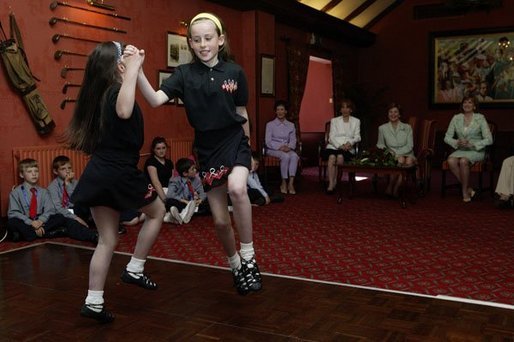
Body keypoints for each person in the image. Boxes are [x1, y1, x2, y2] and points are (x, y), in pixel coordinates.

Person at [134, 12, 262, 295]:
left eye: (209, 38)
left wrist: (249, 149)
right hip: (207, 149)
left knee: (239, 189)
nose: (203, 44)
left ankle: (250, 256)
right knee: (219, 221)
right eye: (197, 39)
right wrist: (139, 71)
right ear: (190, 44)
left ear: (220, 40)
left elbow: (242, 112)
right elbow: (155, 100)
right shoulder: (183, 75)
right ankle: (236, 265)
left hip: (235, 139)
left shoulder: (235, 72)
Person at [65, 41, 165, 323]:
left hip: (99, 171)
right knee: (157, 212)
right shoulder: (114, 93)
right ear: (117, 66)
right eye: (124, 55)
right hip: (118, 171)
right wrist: (131, 71)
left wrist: (135, 69)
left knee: (107, 239)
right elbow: (124, 110)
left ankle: (93, 302)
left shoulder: (101, 94)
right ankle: (135, 267)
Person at [7, 158, 98, 244]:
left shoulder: (44, 192)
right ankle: (49, 232)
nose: (34, 174)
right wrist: (31, 222)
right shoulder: (15, 193)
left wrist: (40, 221)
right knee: (12, 222)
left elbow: (49, 210)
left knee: (61, 217)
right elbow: (13, 213)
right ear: (21, 175)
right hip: (26, 220)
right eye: (30, 172)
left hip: (41, 220)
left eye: (36, 171)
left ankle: (93, 236)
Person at [444, 96, 493, 202]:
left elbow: (489, 139)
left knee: (463, 161)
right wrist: (457, 142)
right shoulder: (456, 118)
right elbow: (447, 137)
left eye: (470, 102)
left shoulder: (480, 118)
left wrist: (473, 145)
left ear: (474, 106)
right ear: (462, 105)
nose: (467, 104)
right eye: (465, 102)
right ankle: (469, 188)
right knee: (451, 160)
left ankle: (464, 191)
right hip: (461, 149)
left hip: (476, 150)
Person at [376, 103, 416, 198]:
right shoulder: (382, 128)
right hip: (391, 154)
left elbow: (410, 145)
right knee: (401, 160)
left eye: (395, 112)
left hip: (408, 153)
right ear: (387, 114)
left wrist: (397, 153)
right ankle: (393, 188)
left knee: (408, 159)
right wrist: (390, 152)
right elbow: (380, 144)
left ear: (399, 114)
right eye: (390, 112)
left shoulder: (407, 127)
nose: (393, 114)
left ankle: (394, 188)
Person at [322, 99, 361, 194]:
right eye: (343, 107)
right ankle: (331, 183)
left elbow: (357, 137)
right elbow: (331, 137)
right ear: (340, 110)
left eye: (347, 107)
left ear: (351, 110)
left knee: (340, 157)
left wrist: (350, 143)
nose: (345, 109)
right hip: (334, 147)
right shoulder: (334, 121)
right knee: (331, 157)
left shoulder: (356, 121)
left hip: (348, 148)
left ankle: (337, 181)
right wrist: (340, 146)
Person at [264, 100, 299, 194]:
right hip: (273, 149)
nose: (280, 112)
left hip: (287, 148)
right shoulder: (270, 125)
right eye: (278, 110)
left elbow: (293, 140)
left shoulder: (291, 125)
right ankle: (283, 182)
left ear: (286, 111)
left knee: (294, 156)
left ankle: (291, 183)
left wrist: (289, 147)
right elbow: (268, 141)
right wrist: (280, 147)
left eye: (282, 109)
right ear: (275, 112)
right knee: (285, 156)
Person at [47, 155, 90, 228]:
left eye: (69, 168)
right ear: (55, 171)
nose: (67, 171)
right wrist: (75, 217)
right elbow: (58, 208)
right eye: (63, 169)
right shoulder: (52, 187)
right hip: (63, 212)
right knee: (59, 217)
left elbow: (77, 201)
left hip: (76, 210)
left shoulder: (76, 182)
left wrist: (67, 184)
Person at [165, 158, 207, 224]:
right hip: (182, 203)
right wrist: (184, 201)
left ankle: (179, 215)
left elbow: (203, 192)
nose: (195, 170)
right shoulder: (175, 181)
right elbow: (170, 194)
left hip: (193, 203)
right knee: (170, 201)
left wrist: (200, 200)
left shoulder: (196, 180)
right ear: (185, 173)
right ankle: (183, 213)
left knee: (207, 201)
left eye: (195, 168)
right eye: (193, 169)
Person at [144, 136, 174, 203]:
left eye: (163, 148)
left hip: (168, 190)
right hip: (156, 191)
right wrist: (165, 200)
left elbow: (172, 180)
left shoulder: (169, 162)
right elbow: (156, 183)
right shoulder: (151, 162)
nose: (161, 151)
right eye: (158, 149)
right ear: (154, 150)